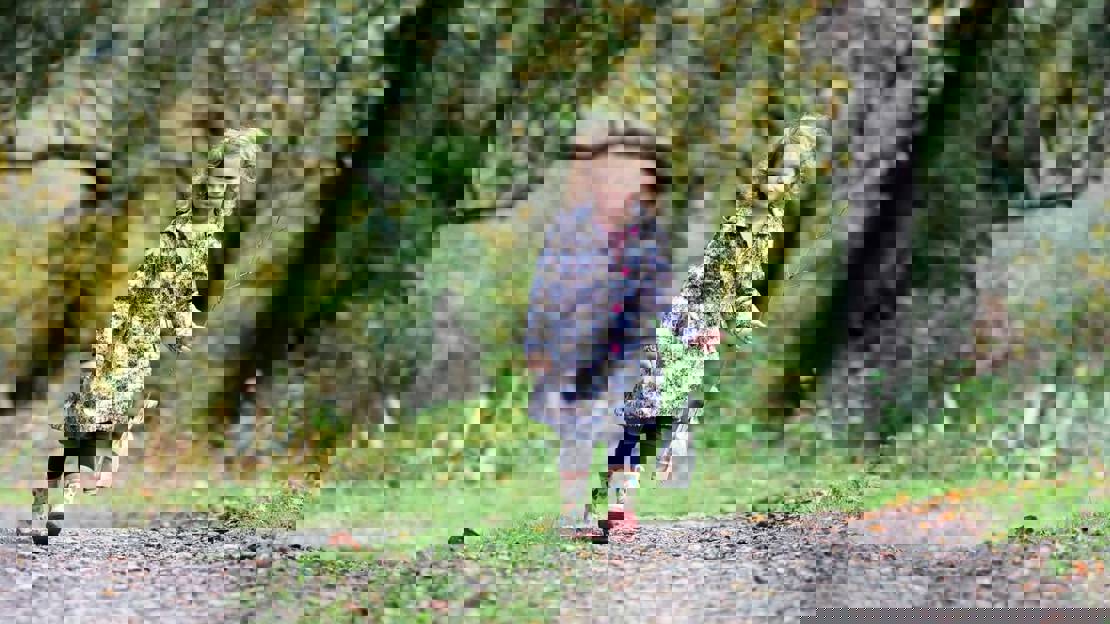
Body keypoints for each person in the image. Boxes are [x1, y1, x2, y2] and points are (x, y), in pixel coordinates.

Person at [524, 118, 671, 541]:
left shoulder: (648, 235)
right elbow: (545, 290)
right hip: (578, 347)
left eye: (636, 178)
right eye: (613, 176)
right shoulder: (571, 232)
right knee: (578, 426)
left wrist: (670, 333)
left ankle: (618, 507)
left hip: (631, 345)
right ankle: (575, 507)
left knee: (628, 427)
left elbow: (659, 290)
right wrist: (538, 344)